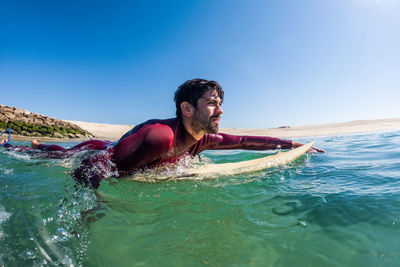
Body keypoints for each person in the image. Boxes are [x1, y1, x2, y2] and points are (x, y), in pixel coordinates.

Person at [2, 79, 324, 188]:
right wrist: (91, 208)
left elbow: (245, 141)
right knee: (54, 156)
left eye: (221, 104)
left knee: (54, 151)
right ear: (187, 109)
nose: (221, 110)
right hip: (96, 150)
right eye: (212, 104)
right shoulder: (160, 137)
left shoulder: (203, 139)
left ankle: (35, 144)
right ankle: (16, 147)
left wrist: (291, 144)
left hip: (122, 153)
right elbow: (92, 168)